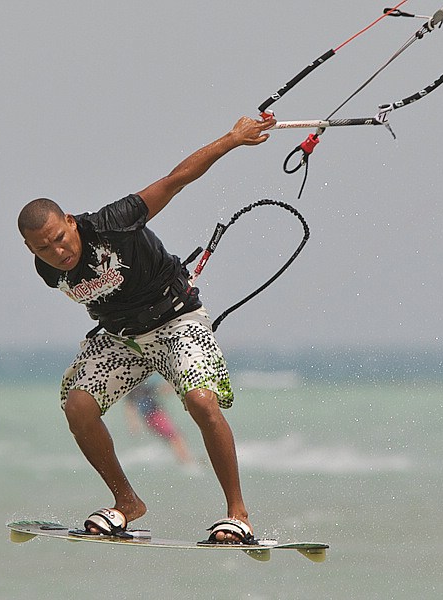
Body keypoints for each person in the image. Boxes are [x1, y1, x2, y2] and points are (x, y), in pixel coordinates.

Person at [17, 115, 275, 544]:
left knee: (201, 402)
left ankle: (238, 514)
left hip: (177, 320)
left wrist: (233, 139)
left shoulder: (113, 222)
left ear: (69, 220)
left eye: (60, 237)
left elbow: (176, 180)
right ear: (29, 248)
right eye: (43, 247)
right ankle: (126, 503)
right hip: (122, 339)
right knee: (78, 407)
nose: (57, 251)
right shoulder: (46, 270)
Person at [124, 377, 194, 465]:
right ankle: (187, 461)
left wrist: (133, 424)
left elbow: (130, 407)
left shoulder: (132, 389)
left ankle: (184, 460)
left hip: (151, 417)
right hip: (154, 416)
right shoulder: (139, 387)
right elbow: (130, 407)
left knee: (173, 438)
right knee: (175, 436)